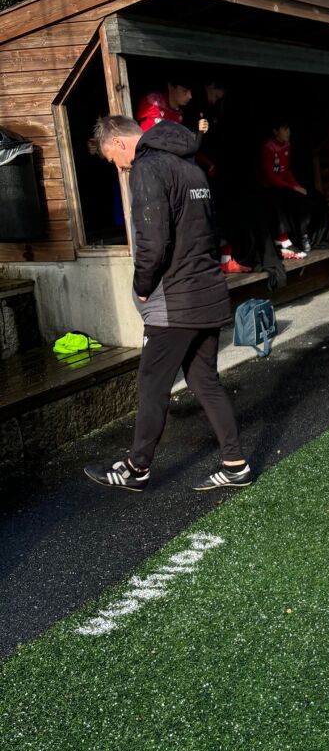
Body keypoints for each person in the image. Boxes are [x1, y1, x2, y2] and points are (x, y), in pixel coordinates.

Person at [83, 115, 251, 493]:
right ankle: (235, 463)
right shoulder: (191, 167)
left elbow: (152, 240)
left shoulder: (147, 167)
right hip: (207, 291)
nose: (120, 167)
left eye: (114, 159)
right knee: (204, 381)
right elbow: (208, 229)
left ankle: (136, 468)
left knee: (152, 385)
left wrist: (142, 285)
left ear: (121, 142)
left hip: (176, 301)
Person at [259, 119, 329, 259]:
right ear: (275, 131)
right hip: (267, 187)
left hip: (282, 185)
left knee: (310, 197)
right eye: (285, 129)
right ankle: (283, 239)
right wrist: (292, 187)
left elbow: (286, 170)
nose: (288, 132)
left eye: (288, 129)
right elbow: (270, 177)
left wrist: (297, 186)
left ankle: (305, 236)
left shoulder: (287, 146)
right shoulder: (267, 147)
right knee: (277, 199)